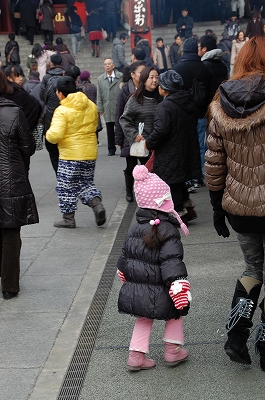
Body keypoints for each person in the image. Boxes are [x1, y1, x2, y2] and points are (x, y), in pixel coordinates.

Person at [204, 35, 265, 370]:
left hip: (240, 208)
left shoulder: (220, 103)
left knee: (253, 269)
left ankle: (237, 336)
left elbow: (214, 161)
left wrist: (216, 207)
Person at [117, 164, 190, 371]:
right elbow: (172, 262)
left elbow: (125, 257)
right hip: (163, 286)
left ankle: (136, 356)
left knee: (143, 317)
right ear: (164, 202)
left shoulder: (134, 228)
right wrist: (178, 285)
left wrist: (125, 276)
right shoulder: (168, 230)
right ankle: (172, 351)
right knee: (175, 312)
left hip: (139, 287)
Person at [46, 76, 106, 228]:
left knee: (65, 187)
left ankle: (68, 219)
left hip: (70, 155)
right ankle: (97, 205)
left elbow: (55, 135)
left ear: (59, 93)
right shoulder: (90, 105)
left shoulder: (62, 110)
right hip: (89, 153)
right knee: (85, 183)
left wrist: (48, 134)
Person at [0, 69, 39, 300]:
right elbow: (28, 146)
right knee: (11, 231)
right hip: (11, 179)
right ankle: (10, 285)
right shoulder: (14, 112)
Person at [145, 70, 200, 222]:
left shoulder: (166, 106)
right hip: (185, 149)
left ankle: (177, 215)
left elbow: (161, 131)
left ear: (165, 88)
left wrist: (149, 142)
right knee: (179, 180)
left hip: (170, 152)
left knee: (172, 184)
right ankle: (188, 210)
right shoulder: (187, 101)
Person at [173, 37, 215, 187]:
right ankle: (201, 175)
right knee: (201, 144)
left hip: (182, 114)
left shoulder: (177, 69)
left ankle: (188, 176)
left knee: (185, 145)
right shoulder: (206, 69)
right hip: (201, 112)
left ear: (184, 50)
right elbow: (212, 92)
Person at [115, 61, 146, 202]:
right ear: (132, 75)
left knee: (147, 165)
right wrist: (119, 138)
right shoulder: (125, 91)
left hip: (146, 133)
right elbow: (119, 115)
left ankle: (146, 191)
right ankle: (129, 190)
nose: (144, 75)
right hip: (130, 134)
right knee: (131, 166)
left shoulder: (149, 89)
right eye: (141, 72)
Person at [39, 53, 65, 174]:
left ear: (51, 64)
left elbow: (41, 96)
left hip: (51, 116)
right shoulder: (66, 75)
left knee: (53, 151)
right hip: (66, 114)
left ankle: (58, 173)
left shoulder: (46, 78)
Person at [3, 64, 42, 132]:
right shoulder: (21, 94)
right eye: (17, 76)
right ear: (9, 78)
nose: (21, 78)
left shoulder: (19, 93)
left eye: (20, 75)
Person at [97, 58, 123, 156]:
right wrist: (100, 108)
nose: (107, 66)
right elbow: (99, 95)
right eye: (105, 64)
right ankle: (111, 148)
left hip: (118, 106)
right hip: (107, 106)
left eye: (109, 64)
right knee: (109, 129)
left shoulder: (120, 77)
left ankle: (122, 146)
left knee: (120, 127)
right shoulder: (100, 79)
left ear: (113, 65)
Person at [77, 69, 102, 143]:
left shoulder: (78, 87)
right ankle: (95, 140)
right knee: (94, 125)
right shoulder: (92, 87)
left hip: (82, 110)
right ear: (88, 78)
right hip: (92, 108)